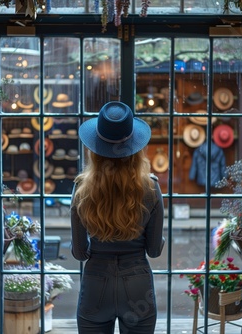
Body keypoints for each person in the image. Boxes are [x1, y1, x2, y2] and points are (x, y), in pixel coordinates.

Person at [71, 101, 165, 334]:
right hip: (137, 285)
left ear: (94, 149)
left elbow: (80, 252)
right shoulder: (151, 188)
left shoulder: (82, 189)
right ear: (135, 148)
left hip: (95, 284)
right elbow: (153, 251)